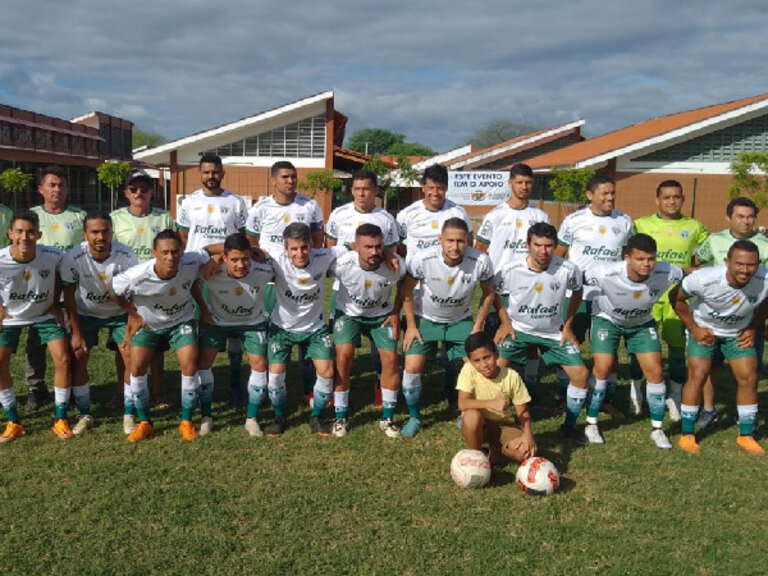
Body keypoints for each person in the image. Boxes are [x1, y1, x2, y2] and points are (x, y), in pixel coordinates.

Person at [576, 234, 683, 448]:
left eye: (651, 259)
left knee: (655, 371)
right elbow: (575, 279)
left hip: (642, 323)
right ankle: (591, 423)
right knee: (603, 367)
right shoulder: (605, 272)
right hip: (607, 320)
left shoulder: (666, 271)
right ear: (627, 258)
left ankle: (657, 429)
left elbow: (688, 275)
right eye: (640, 259)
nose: (647, 264)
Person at [492, 222, 590, 442]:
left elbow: (577, 292)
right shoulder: (510, 268)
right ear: (528, 244)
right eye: (537, 245)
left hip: (554, 333)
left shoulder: (567, 269)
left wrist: (568, 326)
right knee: (494, 370)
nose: (543, 251)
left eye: (548, 246)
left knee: (581, 374)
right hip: (518, 329)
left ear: (555, 246)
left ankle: (569, 425)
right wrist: (505, 322)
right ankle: (496, 419)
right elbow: (495, 293)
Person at [108, 229, 209, 442]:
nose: (170, 257)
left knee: (189, 366)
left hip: (182, 320)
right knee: (136, 369)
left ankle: (186, 421)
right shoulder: (138, 275)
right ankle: (145, 422)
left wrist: (254, 250)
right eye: (164, 252)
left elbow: (210, 250)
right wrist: (132, 314)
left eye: (175, 251)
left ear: (182, 251)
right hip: (149, 325)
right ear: (154, 252)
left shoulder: (191, 261)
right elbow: (113, 289)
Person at [400, 218, 495, 437]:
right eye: (450, 241)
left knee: (475, 367)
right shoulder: (422, 259)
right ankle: (415, 417)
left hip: (461, 321)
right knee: (412, 367)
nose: (455, 246)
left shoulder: (481, 260)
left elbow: (489, 291)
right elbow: (405, 290)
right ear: (440, 240)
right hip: (425, 320)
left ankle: (466, 412)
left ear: (468, 241)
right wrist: (412, 326)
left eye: (460, 241)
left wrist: (478, 325)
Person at [672, 240, 768, 455]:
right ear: (727, 262)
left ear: (759, 263)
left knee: (749, 378)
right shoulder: (703, 279)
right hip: (706, 332)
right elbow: (675, 298)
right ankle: (687, 434)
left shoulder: (766, 278)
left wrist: (754, 327)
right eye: (739, 264)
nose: (745, 270)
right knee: (698, 374)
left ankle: (746, 436)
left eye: (751, 265)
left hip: (738, 334)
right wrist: (694, 328)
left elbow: (766, 302)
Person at [246, 161, 324, 405]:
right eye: (285, 177)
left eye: (293, 177)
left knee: (306, 332)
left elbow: (318, 241)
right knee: (274, 333)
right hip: (271, 281)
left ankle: (308, 389)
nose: (290, 181)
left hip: (302, 279)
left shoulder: (310, 205)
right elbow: (251, 242)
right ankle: (274, 387)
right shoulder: (260, 208)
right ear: (273, 180)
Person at [396, 164, 473, 408]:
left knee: (451, 353)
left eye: (440, 188)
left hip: (449, 287)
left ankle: (450, 389)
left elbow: (466, 246)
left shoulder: (459, 213)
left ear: (446, 188)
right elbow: (398, 247)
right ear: (422, 188)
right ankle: (407, 393)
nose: (435, 193)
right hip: (414, 287)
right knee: (413, 341)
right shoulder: (407, 214)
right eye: (431, 188)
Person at [555, 174, 633, 419]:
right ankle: (564, 397)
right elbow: (559, 255)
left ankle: (607, 399)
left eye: (612, 193)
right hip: (577, 295)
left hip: (609, 297)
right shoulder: (573, 220)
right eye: (604, 193)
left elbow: (627, 258)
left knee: (609, 351)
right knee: (569, 346)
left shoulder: (625, 221)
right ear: (590, 195)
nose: (610, 197)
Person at [631, 180, 708, 420]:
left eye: (676, 197)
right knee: (639, 347)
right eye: (666, 197)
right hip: (646, 297)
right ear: (657, 200)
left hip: (678, 299)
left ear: (683, 199)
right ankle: (636, 391)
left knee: (676, 350)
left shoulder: (695, 227)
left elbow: (707, 257)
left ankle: (674, 396)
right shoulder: (641, 224)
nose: (672, 201)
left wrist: (690, 271)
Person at [177, 154, 249, 406]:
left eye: (215, 172)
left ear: (222, 173)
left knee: (234, 332)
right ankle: (196, 385)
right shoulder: (189, 202)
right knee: (198, 330)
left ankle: (234, 383)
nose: (211, 176)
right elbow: (184, 238)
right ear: (200, 173)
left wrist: (219, 258)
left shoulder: (235, 202)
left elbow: (241, 240)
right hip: (197, 276)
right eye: (206, 172)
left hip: (227, 276)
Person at [326, 168, 399, 407]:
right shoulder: (338, 215)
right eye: (356, 189)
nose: (361, 194)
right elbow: (330, 250)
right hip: (344, 288)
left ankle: (380, 385)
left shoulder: (386, 218)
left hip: (377, 289)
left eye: (366, 189)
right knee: (341, 350)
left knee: (381, 350)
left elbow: (392, 253)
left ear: (375, 191)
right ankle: (330, 391)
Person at [693, 196, 768, 429]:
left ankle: (745, 414)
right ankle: (707, 409)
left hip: (749, 319)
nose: (746, 222)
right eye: (740, 216)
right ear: (728, 218)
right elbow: (697, 262)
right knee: (711, 367)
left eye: (751, 217)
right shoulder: (714, 240)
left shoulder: (764, 244)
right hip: (714, 318)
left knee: (750, 371)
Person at [60, 212, 138, 435]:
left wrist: (132, 321)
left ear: (112, 232)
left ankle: (128, 412)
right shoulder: (72, 258)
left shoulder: (126, 254)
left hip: (119, 312)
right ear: (85, 235)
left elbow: (134, 294)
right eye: (94, 232)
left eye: (105, 231)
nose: (100, 236)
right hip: (85, 313)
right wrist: (76, 332)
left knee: (130, 354)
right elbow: (69, 299)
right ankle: (84, 412)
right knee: (78, 354)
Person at [475, 163, 550, 392]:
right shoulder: (495, 215)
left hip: (531, 287)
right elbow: (480, 249)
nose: (524, 186)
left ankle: (531, 383)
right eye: (519, 182)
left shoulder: (539, 215)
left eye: (528, 182)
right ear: (510, 183)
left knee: (530, 338)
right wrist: (486, 282)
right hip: (500, 289)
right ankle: (490, 385)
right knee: (493, 340)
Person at [0, 211, 72, 442]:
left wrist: (54, 302)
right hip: (10, 317)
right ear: (10, 234)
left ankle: (60, 418)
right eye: (19, 231)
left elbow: (64, 277)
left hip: (43, 314)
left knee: (63, 359)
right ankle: (14, 421)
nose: (25, 237)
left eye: (30, 232)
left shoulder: (53, 255)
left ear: (39, 234)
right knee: (0, 362)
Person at [265, 223, 340, 437]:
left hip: (315, 328)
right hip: (282, 328)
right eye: (294, 249)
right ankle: (279, 416)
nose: (300, 253)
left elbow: (353, 247)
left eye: (304, 248)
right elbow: (253, 256)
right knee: (276, 376)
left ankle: (316, 416)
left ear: (312, 245)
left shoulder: (325, 256)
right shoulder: (275, 261)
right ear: (286, 249)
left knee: (327, 372)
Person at [196, 233, 274, 437]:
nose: (241, 265)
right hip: (217, 322)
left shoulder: (264, 269)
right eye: (235, 260)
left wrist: (259, 251)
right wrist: (204, 312)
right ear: (224, 258)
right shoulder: (209, 270)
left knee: (259, 364)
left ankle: (252, 419)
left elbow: (280, 261)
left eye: (246, 259)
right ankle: (206, 417)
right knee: (203, 363)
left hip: (252, 322)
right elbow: (199, 255)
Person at [111, 169, 176, 411]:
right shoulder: (116, 219)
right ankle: (122, 391)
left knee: (155, 344)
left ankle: (157, 392)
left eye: (144, 189)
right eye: (134, 189)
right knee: (123, 345)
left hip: (155, 290)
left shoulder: (164, 218)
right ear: (126, 193)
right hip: (126, 292)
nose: (139, 193)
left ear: (152, 192)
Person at [331, 224, 404, 438]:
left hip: (381, 315)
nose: (374, 252)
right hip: (349, 314)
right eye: (368, 247)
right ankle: (340, 416)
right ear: (356, 247)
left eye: (378, 246)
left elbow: (406, 286)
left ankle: (388, 418)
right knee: (343, 357)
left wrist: (395, 312)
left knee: (390, 358)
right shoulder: (341, 264)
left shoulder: (395, 266)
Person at [26, 166, 85, 410]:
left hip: (70, 291)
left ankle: (68, 387)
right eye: (51, 185)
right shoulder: (31, 215)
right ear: (41, 189)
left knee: (70, 338)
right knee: (35, 341)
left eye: (61, 185)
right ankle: (35, 388)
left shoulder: (79, 216)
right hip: (37, 291)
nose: (56, 189)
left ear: (67, 189)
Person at [457, 332, 536, 467]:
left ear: (497, 354)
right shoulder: (468, 370)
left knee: (525, 453)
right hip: (480, 423)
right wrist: (491, 403)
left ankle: (495, 450)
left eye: (487, 357)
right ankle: (477, 457)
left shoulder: (511, 376)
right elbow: (462, 403)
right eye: (477, 361)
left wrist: (528, 435)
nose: (484, 364)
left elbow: (522, 410)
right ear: (470, 361)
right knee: (471, 415)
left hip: (503, 424)